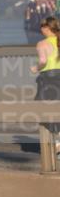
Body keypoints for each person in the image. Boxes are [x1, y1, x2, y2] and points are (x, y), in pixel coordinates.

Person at [32, 16, 60, 153]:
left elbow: (43, 61)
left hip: (49, 79)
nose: (40, 30)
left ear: (47, 28)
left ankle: (57, 141)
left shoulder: (42, 44)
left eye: (42, 27)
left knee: (47, 109)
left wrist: (35, 68)